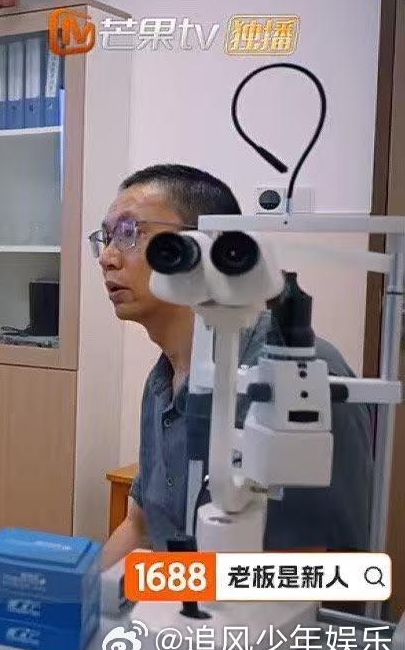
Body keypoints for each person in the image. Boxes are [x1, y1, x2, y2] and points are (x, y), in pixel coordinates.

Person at [95, 164, 372, 568]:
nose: (107, 257)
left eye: (129, 233)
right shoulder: (161, 382)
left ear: (205, 247)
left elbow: (312, 568)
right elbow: (140, 527)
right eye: (106, 238)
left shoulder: (302, 376)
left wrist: (168, 592)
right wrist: (80, 595)